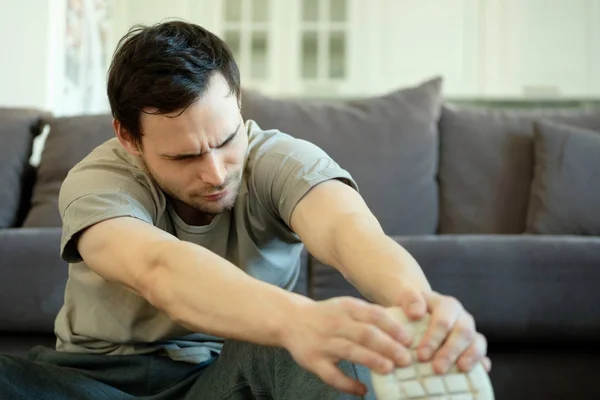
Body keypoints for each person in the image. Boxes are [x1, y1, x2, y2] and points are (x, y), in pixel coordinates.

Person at [0, 21, 490, 399]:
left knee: (318, 341)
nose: (215, 172)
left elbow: (349, 231)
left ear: (237, 101)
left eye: (226, 140)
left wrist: (421, 310)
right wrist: (293, 318)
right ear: (128, 137)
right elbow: (157, 268)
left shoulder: (282, 161)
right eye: (185, 156)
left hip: (220, 382)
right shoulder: (98, 180)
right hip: (91, 384)